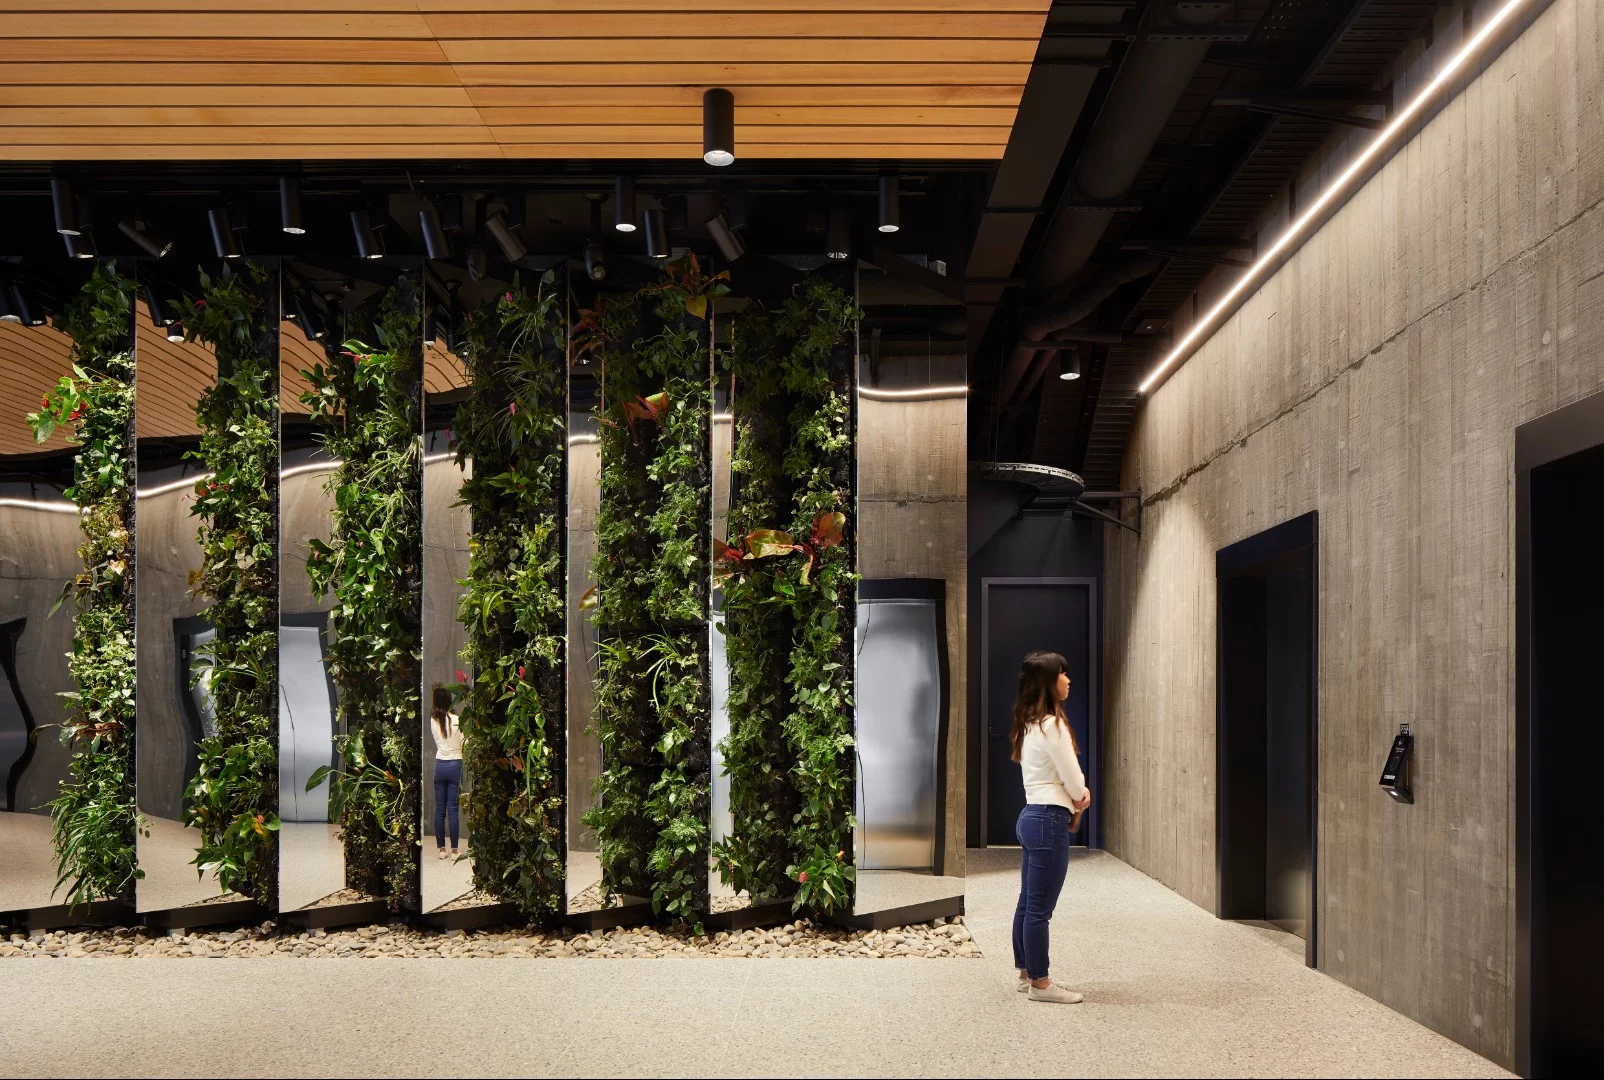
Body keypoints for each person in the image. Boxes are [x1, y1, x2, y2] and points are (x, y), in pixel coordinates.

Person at [1010, 651, 1091, 1004]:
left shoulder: (1029, 724)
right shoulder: (1053, 724)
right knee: (1040, 909)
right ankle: (1041, 985)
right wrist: (1082, 794)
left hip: (1031, 816)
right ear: (1049, 681)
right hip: (1049, 820)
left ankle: (1026, 973)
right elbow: (1073, 779)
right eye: (1063, 674)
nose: (1068, 680)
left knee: (1028, 902)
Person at [430, 685, 463, 859]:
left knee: (439, 810)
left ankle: (442, 850)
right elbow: (463, 743)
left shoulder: (433, 720)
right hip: (455, 764)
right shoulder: (458, 719)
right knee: (453, 809)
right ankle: (455, 850)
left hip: (440, 765)